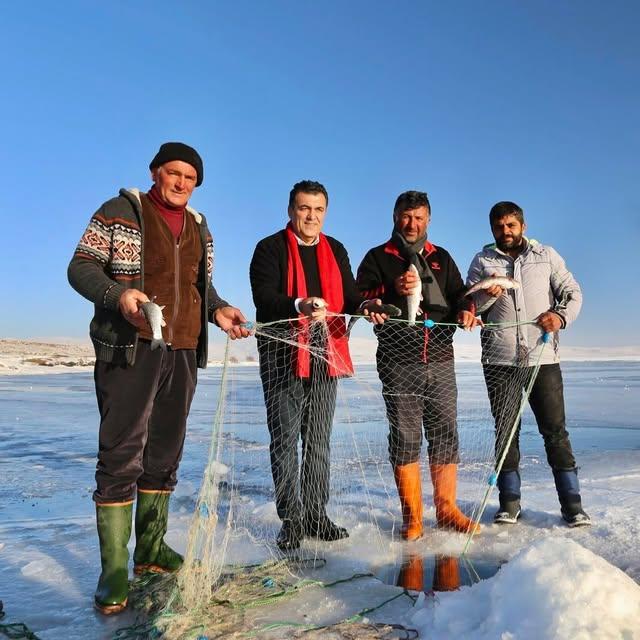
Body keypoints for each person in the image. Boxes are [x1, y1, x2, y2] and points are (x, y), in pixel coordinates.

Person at [68, 142, 250, 614]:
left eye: (190, 177)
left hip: (183, 350)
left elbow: (199, 287)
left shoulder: (199, 227)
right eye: (174, 173)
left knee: (165, 451)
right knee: (122, 451)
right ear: (156, 172)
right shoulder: (120, 211)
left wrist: (220, 310)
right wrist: (119, 295)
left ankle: (150, 551)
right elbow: (81, 266)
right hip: (130, 350)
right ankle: (113, 570)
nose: (181, 183)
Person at [250, 180, 380, 551]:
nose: (311, 216)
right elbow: (265, 298)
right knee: (286, 440)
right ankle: (291, 519)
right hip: (283, 357)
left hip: (326, 354)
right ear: (291, 210)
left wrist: (368, 307)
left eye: (318, 209)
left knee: (319, 439)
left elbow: (351, 296)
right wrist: (299, 305)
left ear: (325, 212)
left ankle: (316, 516)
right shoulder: (270, 248)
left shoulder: (335, 249)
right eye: (304, 208)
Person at [357, 190, 481, 541]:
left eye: (419, 218)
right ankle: (413, 516)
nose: (412, 224)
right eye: (406, 217)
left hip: (441, 359)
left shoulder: (440, 257)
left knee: (445, 434)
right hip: (399, 362)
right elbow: (361, 297)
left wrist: (467, 310)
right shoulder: (379, 257)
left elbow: (461, 295)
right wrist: (391, 290)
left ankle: (447, 511)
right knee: (406, 436)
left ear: (428, 220)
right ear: (395, 217)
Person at [466, 200, 590, 527]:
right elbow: (470, 306)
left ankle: (572, 505)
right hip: (499, 360)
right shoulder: (482, 260)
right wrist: (489, 294)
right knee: (506, 432)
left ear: (522, 225)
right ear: (492, 229)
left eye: (510, 225)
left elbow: (572, 293)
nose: (505, 232)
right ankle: (508, 503)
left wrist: (560, 317)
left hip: (542, 358)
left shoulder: (546, 255)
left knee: (555, 431)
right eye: (498, 227)